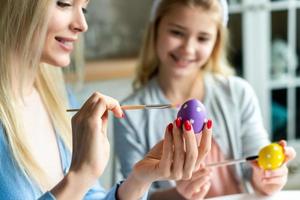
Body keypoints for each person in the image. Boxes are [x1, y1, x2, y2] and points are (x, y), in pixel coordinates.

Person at [0, 0, 213, 199]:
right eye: (64, 3)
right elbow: (79, 185)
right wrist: (79, 176)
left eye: (83, 9)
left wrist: (139, 180)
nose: (82, 25)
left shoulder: (62, 99)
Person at [113, 0, 297, 199]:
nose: (188, 49)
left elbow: (255, 165)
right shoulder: (129, 113)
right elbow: (133, 193)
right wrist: (179, 193)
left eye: (203, 38)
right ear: (155, 29)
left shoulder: (237, 93)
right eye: (177, 32)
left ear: (216, 43)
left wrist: (267, 178)